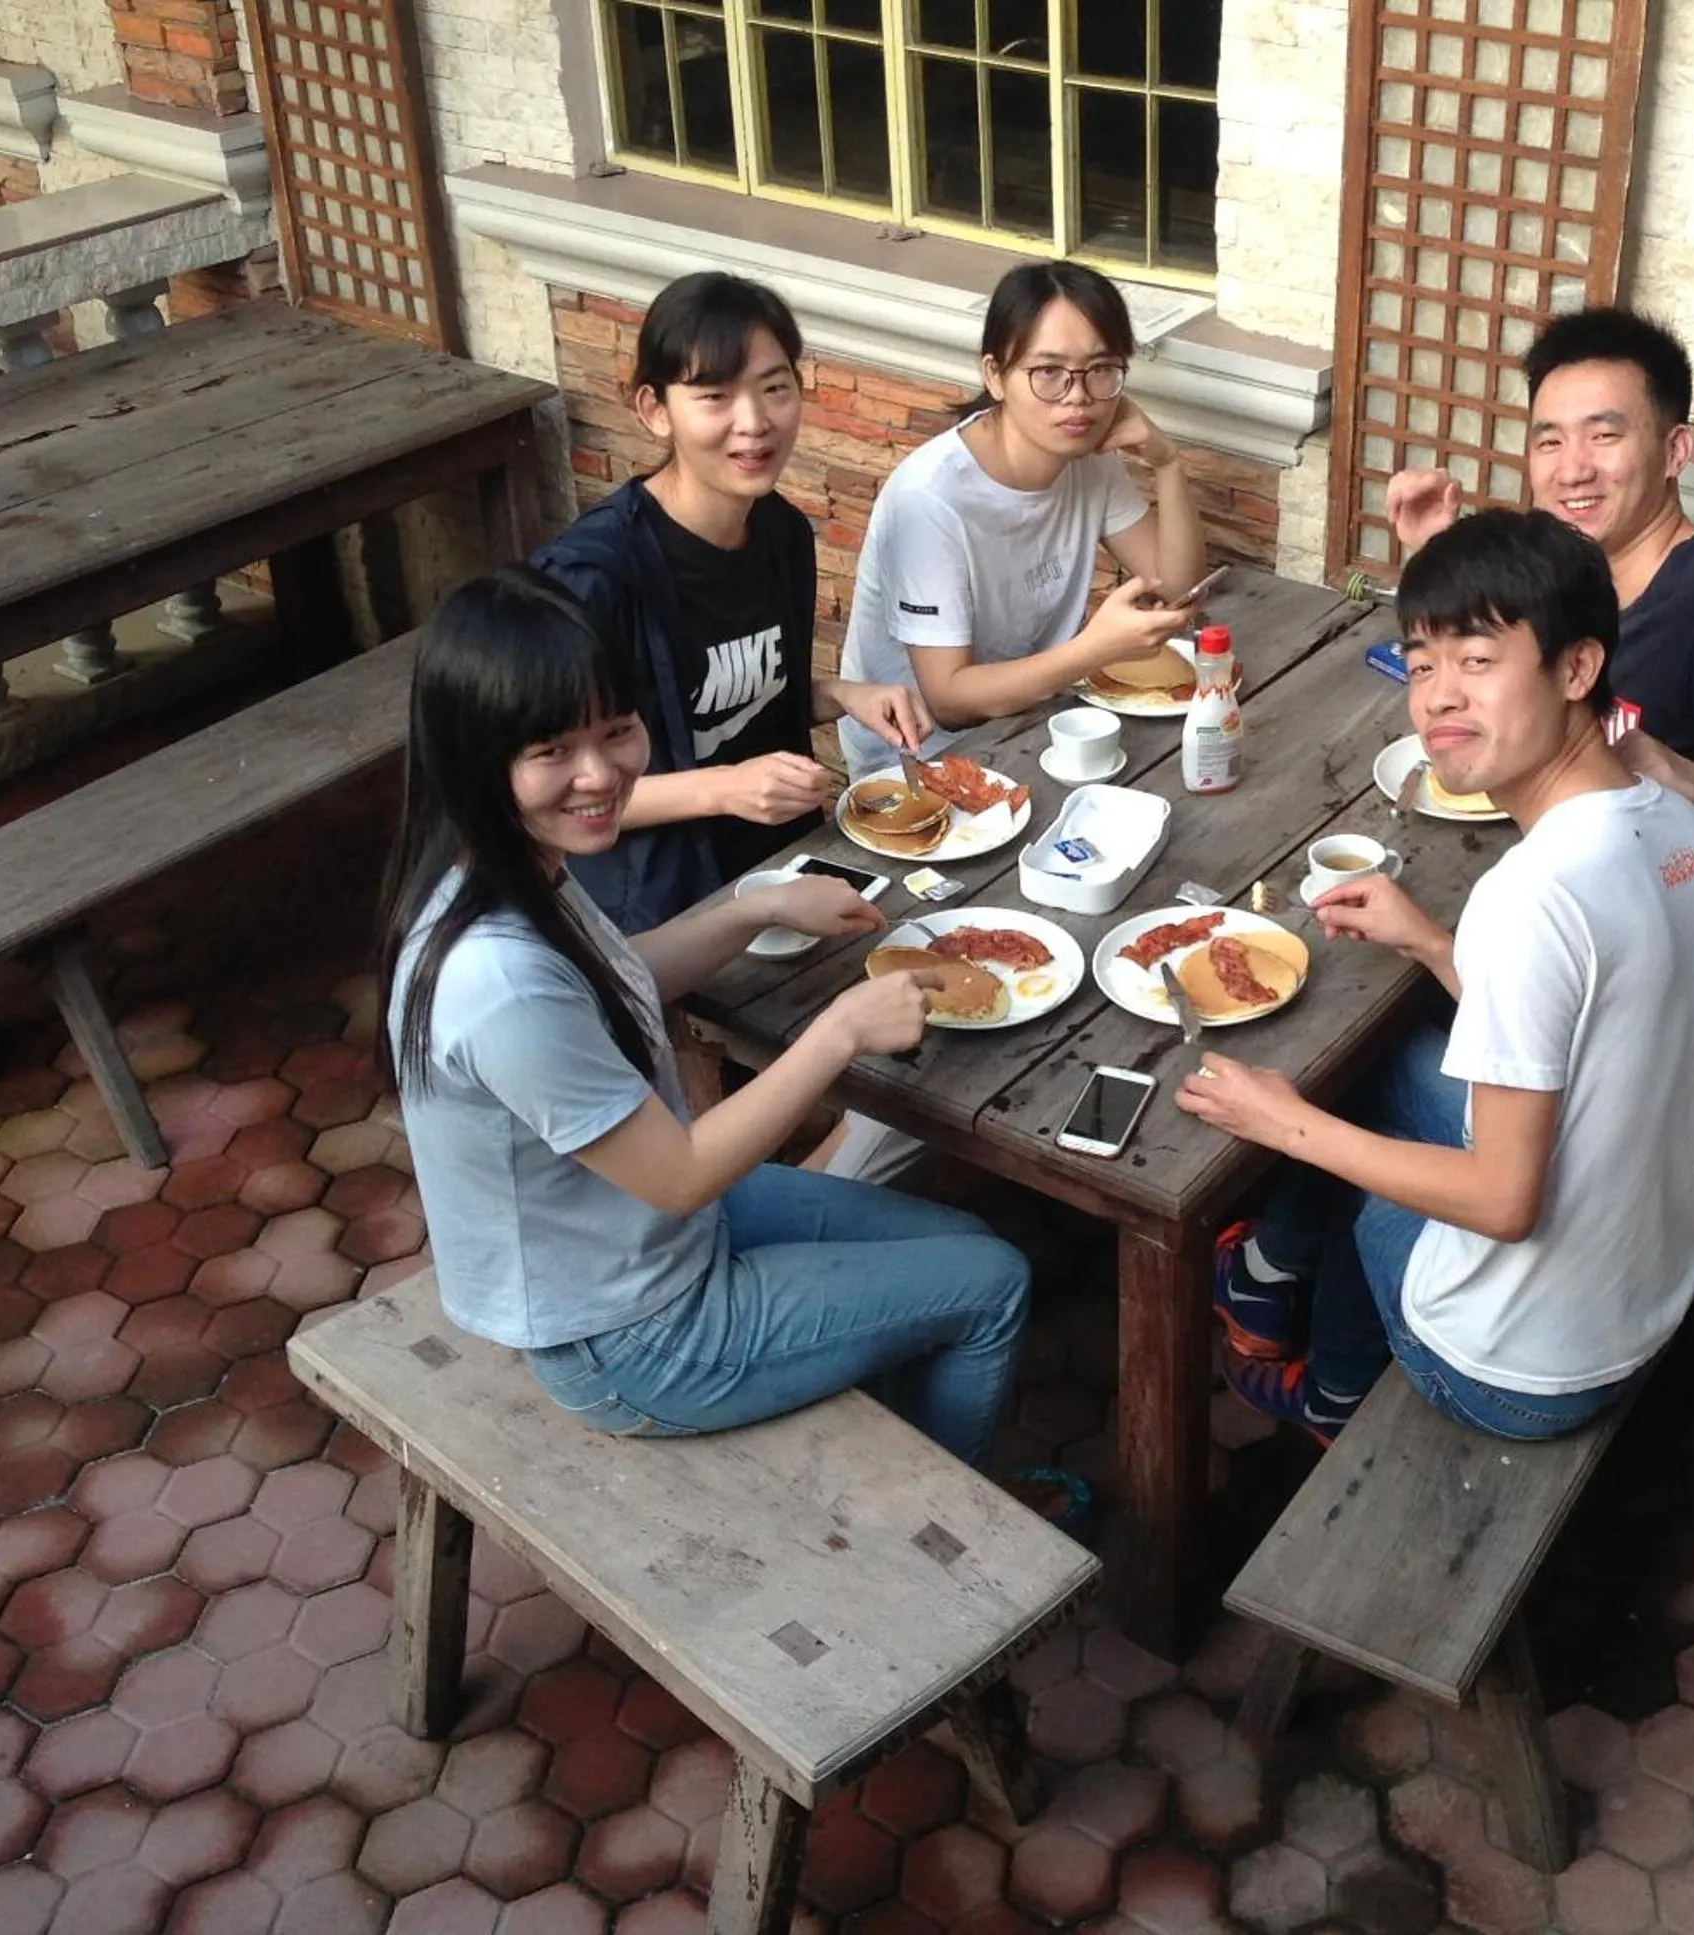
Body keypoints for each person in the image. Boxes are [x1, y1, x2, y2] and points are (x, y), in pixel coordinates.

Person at [375, 568, 1028, 1461]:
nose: (601, 775)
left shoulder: (502, 865)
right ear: (474, 755)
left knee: (962, 1239)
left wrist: (755, 908)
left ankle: (868, 1395)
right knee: (992, 1282)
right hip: (631, 1333)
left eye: (617, 730)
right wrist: (840, 1029)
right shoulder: (498, 979)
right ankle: (929, 1513)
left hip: (656, 1236)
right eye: (553, 750)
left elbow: (615, 978)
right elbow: (680, 1173)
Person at [1174, 511, 1694, 1444]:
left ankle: (1327, 1395)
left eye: (1477, 661)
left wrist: (1283, 1124)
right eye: (1422, 664)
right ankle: (1269, 1279)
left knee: (1362, 1175)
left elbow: (1500, 1201)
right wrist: (1437, 947)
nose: (1438, 698)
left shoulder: (1532, 895)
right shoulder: (1673, 818)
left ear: (1577, 668)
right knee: (1381, 1063)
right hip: (1645, 1285)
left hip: (1520, 1370)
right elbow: (1593, 1026)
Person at [1386, 308, 1694, 1136]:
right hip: (1629, 957)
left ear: (1675, 450)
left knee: (1376, 1048)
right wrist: (1446, 567)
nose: (1572, 468)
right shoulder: (1579, 590)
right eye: (1549, 440)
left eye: (1604, 434)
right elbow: (1497, 691)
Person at [534, 271, 932, 937]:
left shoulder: (781, 533)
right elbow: (551, 793)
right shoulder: (593, 578)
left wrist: (842, 694)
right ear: (655, 409)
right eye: (715, 395)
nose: (754, 423)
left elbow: (737, 701)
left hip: (783, 867)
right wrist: (725, 787)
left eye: (774, 388)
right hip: (657, 907)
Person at [833, 260, 1210, 775]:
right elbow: (949, 702)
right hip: (921, 762)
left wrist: (1167, 463)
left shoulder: (1088, 458)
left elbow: (1179, 590)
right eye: (1048, 372)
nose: (1078, 396)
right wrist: (1094, 650)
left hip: (1035, 723)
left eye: (1101, 369)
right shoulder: (929, 500)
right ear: (995, 375)